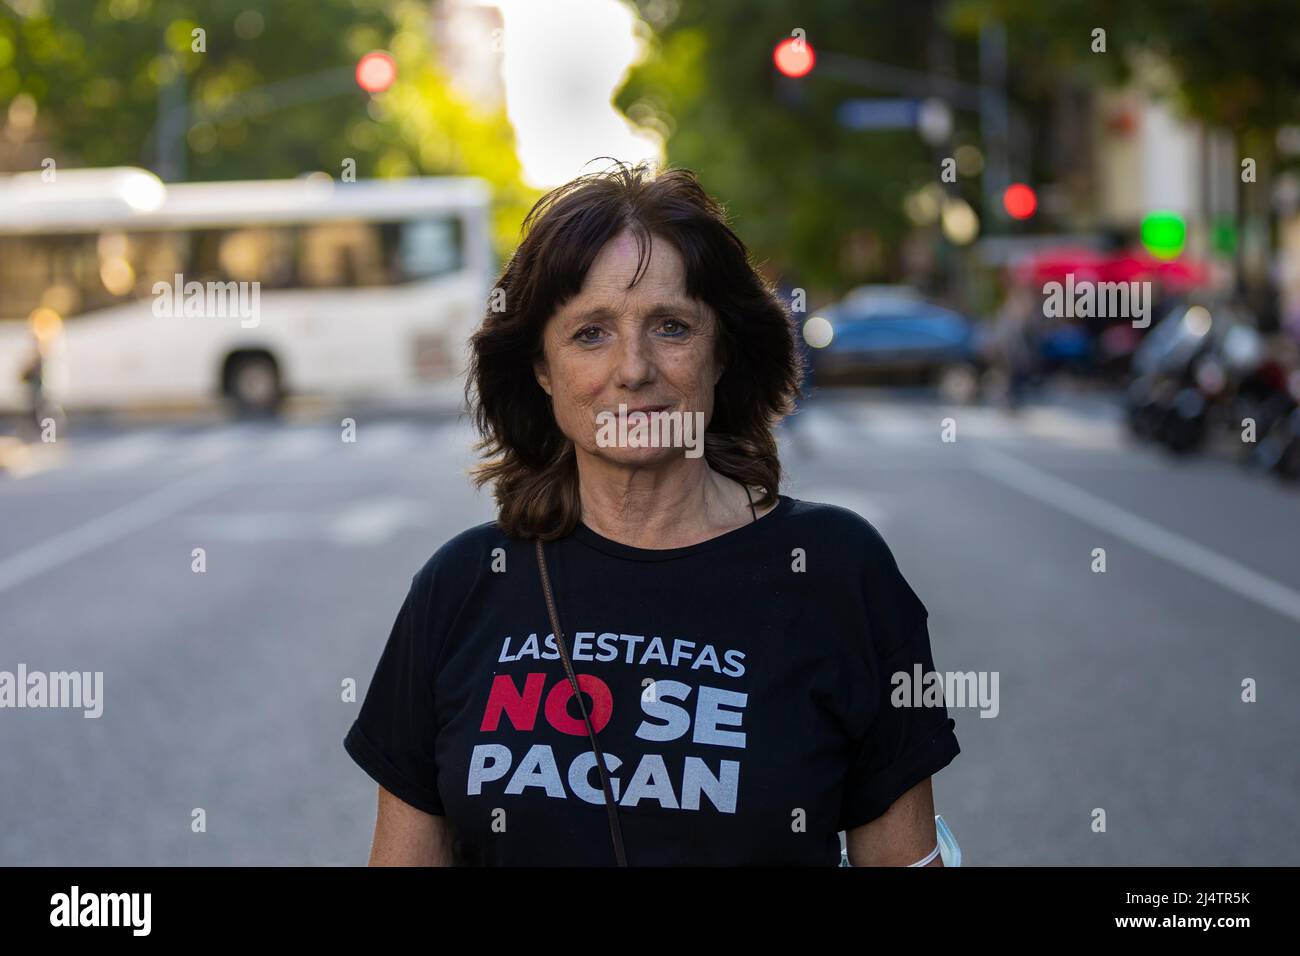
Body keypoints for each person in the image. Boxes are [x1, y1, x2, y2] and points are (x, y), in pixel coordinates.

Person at [343, 160, 960, 866]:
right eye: (590, 333)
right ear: (541, 368)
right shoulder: (459, 587)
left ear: (722, 352)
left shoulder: (837, 573)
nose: (633, 368)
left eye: (670, 326)